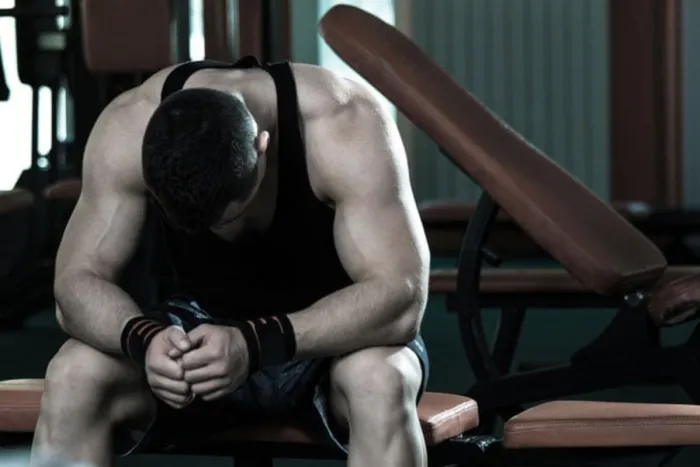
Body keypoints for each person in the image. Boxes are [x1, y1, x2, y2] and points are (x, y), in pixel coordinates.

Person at [31, 56, 430, 467]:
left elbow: (401, 296)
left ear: (262, 146)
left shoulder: (343, 123)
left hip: (329, 338)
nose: (223, 234)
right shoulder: (128, 125)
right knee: (74, 375)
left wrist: (257, 342)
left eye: (232, 216)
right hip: (197, 332)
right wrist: (144, 337)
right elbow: (74, 284)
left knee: (381, 380)